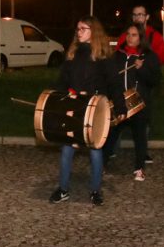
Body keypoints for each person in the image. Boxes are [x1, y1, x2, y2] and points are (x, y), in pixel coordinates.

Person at [48, 17, 125, 206]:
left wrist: (121, 107)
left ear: (94, 32)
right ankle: (63, 189)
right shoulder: (72, 56)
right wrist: (56, 100)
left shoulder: (103, 58)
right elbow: (62, 82)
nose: (79, 32)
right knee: (67, 149)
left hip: (95, 110)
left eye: (83, 28)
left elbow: (114, 84)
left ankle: (95, 191)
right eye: (78, 29)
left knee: (95, 150)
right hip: (74, 109)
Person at [105, 23, 162, 182]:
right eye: (128, 34)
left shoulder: (149, 56)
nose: (130, 38)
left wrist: (142, 69)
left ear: (141, 37)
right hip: (120, 102)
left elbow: (155, 80)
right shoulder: (118, 55)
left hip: (139, 104)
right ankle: (102, 163)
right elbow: (110, 78)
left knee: (140, 136)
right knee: (111, 134)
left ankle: (139, 168)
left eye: (134, 35)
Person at [114, 5, 164, 165]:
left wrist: (147, 63)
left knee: (142, 121)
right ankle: (111, 150)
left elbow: (162, 58)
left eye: (141, 14)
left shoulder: (154, 36)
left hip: (144, 84)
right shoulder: (126, 35)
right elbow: (118, 54)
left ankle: (142, 153)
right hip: (126, 84)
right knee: (117, 119)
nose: (138, 17)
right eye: (135, 14)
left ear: (147, 17)